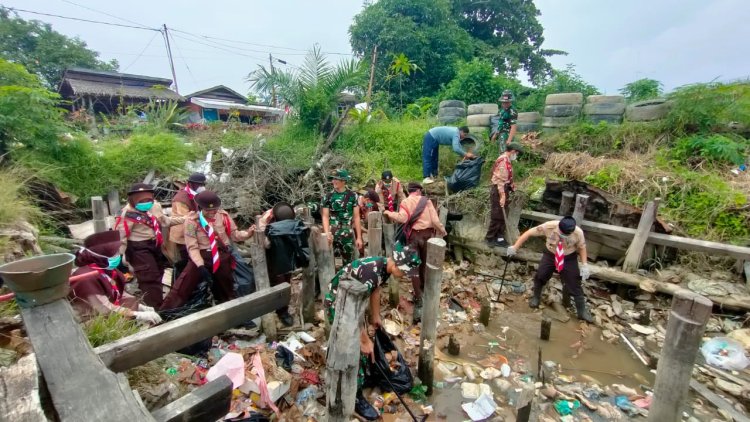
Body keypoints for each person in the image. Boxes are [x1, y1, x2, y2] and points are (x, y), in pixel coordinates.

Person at [324, 244, 421, 421]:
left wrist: (376, 316)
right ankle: (354, 396)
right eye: (405, 272)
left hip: (354, 305)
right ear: (397, 264)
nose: (405, 276)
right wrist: (364, 341)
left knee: (364, 342)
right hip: (339, 304)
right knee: (353, 346)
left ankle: (360, 378)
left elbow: (375, 290)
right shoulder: (371, 273)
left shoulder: (383, 268)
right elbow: (354, 316)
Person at [160, 191, 256, 310]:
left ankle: (234, 314)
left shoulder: (223, 216)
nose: (211, 213)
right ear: (200, 208)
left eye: (214, 210)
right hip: (201, 257)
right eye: (208, 210)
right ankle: (165, 313)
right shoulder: (191, 221)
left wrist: (247, 234)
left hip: (221, 255)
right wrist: (200, 266)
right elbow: (192, 247)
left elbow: (234, 234)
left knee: (227, 287)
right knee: (183, 285)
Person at [507, 216, 593, 322]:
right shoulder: (549, 226)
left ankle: (582, 312)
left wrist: (585, 265)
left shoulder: (578, 233)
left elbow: (582, 247)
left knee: (574, 282)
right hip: (551, 254)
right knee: (541, 275)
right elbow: (529, 233)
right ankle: (536, 298)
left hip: (568, 257)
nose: (563, 236)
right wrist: (515, 247)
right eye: (562, 234)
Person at [383, 182, 447, 322]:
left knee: (414, 268)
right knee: (425, 264)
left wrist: (389, 213)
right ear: (419, 191)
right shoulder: (427, 201)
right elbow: (435, 220)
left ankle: (418, 299)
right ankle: (424, 291)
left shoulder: (405, 201)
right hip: (428, 236)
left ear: (410, 191)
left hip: (413, 237)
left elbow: (402, 218)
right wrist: (442, 230)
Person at [70, 230, 162, 324]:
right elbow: (103, 308)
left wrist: (140, 307)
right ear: (102, 255)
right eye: (115, 253)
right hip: (89, 321)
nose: (119, 255)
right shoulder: (85, 278)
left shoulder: (106, 268)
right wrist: (136, 314)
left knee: (132, 302)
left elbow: (120, 293)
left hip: (110, 310)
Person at [117, 183, 185, 308]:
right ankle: (156, 307)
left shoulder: (155, 206)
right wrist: (119, 256)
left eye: (148, 200)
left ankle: (154, 297)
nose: (146, 203)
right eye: (141, 201)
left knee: (159, 271)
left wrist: (186, 219)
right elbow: (121, 237)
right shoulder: (127, 214)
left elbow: (165, 222)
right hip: (138, 248)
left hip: (155, 244)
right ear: (133, 200)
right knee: (149, 276)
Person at [258, 202, 310, 327]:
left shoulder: (272, 228)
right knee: (283, 284)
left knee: (280, 285)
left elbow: (266, 244)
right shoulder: (295, 225)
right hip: (283, 261)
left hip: (280, 261)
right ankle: (282, 312)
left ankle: (282, 311)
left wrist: (264, 222)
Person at [322, 169, 363, 267]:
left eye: (337, 179)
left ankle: (347, 280)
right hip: (332, 232)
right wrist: (327, 233)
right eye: (333, 179)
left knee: (349, 264)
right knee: (328, 262)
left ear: (344, 181)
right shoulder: (328, 196)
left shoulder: (353, 196)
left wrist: (359, 237)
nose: (334, 181)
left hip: (347, 232)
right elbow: (325, 216)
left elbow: (357, 217)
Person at [485, 142, 523, 247]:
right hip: (498, 190)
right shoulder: (503, 161)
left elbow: (507, 177)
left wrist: (512, 185)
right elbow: (500, 181)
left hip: (504, 188)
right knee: (497, 215)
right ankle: (489, 238)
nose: (517, 155)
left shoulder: (507, 160)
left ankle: (500, 237)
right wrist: (502, 196)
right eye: (517, 153)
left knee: (503, 215)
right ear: (513, 151)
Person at [170, 172, 206, 266]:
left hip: (193, 230)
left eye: (203, 184)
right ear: (190, 184)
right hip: (182, 232)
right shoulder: (181, 198)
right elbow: (187, 219)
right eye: (199, 184)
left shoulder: (197, 194)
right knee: (186, 259)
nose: (201, 187)